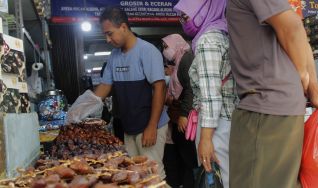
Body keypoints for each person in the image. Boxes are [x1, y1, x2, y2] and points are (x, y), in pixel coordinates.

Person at [226, 1, 318, 188]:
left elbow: (292, 27)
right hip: (271, 104)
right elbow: (296, 30)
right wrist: (312, 83)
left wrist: (304, 74)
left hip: (265, 106)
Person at [69, 7, 169, 180]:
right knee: (132, 173)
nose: (107, 39)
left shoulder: (147, 51)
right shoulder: (114, 56)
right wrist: (79, 109)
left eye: (110, 33)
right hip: (130, 126)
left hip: (150, 125)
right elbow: (104, 88)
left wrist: (152, 127)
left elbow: (160, 88)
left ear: (123, 27)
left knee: (152, 174)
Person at [174, 1, 238, 187]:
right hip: (229, 120)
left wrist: (206, 139)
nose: (183, 21)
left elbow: (211, 96)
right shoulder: (225, 34)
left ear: (204, 11)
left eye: (186, 16)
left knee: (217, 178)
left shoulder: (207, 41)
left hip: (216, 127)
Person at [162, 34, 198, 187]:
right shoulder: (178, 62)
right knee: (182, 156)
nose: (165, 51)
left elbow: (191, 89)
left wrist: (184, 115)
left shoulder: (186, 60)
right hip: (177, 114)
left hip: (185, 116)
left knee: (188, 157)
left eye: (166, 46)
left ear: (175, 44)